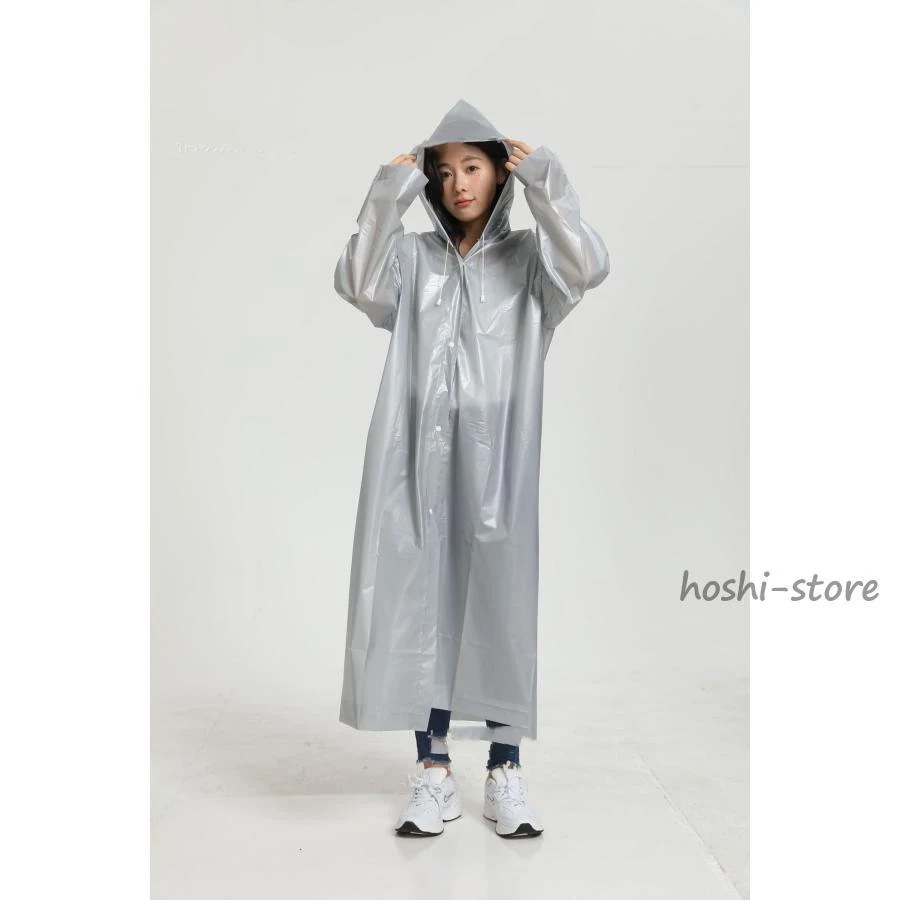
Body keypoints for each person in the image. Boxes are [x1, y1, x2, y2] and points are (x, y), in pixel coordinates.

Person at [333, 100, 610, 839]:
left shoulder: (531, 260)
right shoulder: (412, 259)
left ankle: (505, 770)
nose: (459, 183)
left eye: (474, 166)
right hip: (415, 457)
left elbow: (588, 265)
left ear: (499, 173)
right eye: (445, 170)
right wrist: (385, 195)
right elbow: (358, 283)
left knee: (499, 603)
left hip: (500, 460)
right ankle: (433, 772)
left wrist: (546, 181)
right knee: (421, 601)